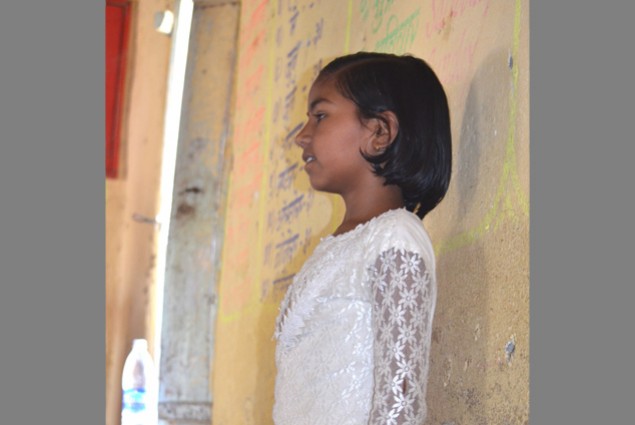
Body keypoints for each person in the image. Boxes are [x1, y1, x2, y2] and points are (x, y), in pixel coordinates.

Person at [273, 51, 452, 425]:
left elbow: (399, 408)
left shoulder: (394, 238)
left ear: (379, 132)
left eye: (319, 116)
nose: (301, 136)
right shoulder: (342, 245)